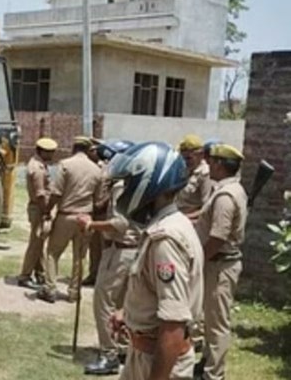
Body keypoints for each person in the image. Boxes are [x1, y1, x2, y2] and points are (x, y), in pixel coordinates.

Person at [108, 142, 204, 380]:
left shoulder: (166, 238)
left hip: (159, 362)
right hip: (144, 353)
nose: (126, 189)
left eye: (130, 182)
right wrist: (128, 312)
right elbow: (156, 292)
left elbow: (173, 326)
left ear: (152, 182)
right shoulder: (170, 224)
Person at [77, 140, 139, 376]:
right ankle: (123, 347)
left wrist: (91, 224)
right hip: (132, 249)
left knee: (104, 303)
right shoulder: (135, 185)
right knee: (124, 303)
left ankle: (108, 354)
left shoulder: (121, 187)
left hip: (121, 249)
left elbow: (119, 224)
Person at [193, 144, 247, 380]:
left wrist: (200, 258)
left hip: (219, 264)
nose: (209, 166)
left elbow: (218, 236)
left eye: (212, 161)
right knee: (210, 318)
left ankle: (213, 374)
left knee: (216, 323)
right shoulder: (230, 189)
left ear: (220, 165)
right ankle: (206, 362)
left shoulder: (226, 195)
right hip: (219, 263)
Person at [37, 136, 103, 303]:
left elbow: (56, 193)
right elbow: (99, 199)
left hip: (66, 215)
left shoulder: (65, 165)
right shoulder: (96, 170)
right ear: (88, 150)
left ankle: (50, 288)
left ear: (74, 148)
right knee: (79, 257)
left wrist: (47, 210)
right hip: (85, 217)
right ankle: (74, 292)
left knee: (52, 253)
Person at [17, 138, 58, 289]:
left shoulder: (38, 164)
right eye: (50, 152)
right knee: (35, 245)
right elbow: (40, 194)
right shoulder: (38, 168)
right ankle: (25, 276)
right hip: (39, 208)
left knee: (39, 243)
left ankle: (40, 274)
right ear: (42, 151)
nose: (52, 155)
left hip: (38, 207)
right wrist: (46, 211)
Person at [83, 139, 109, 286]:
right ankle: (93, 275)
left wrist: (101, 204)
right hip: (91, 211)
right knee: (94, 249)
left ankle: (102, 278)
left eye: (93, 150)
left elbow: (109, 191)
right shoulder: (89, 167)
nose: (90, 152)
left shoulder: (106, 167)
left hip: (103, 212)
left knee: (104, 247)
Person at [176, 134, 214, 215]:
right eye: (183, 158)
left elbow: (207, 207)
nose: (185, 162)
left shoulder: (205, 174)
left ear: (200, 155)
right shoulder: (184, 170)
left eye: (189, 158)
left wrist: (188, 218)